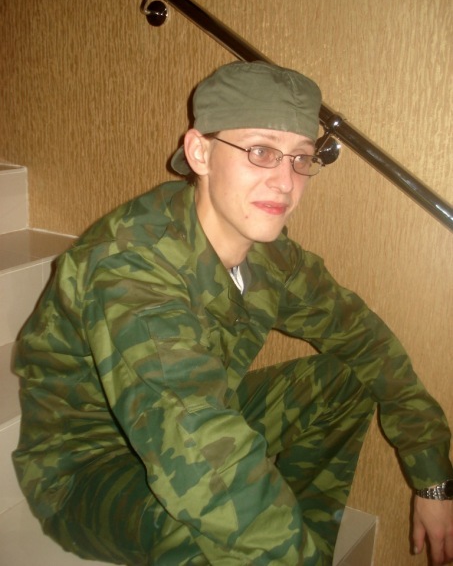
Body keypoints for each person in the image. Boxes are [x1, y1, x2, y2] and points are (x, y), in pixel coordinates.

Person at [13, 61, 453, 566]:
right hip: (90, 468)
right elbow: (197, 451)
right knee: (205, 532)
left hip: (190, 418)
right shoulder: (130, 266)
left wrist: (433, 478)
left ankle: (307, 540)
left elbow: (365, 340)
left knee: (349, 379)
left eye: (301, 157)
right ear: (199, 152)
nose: (285, 182)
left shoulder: (270, 256)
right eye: (261, 151)